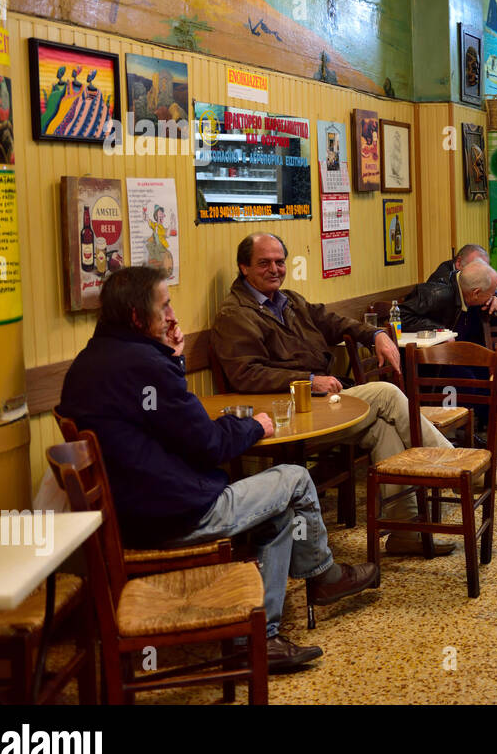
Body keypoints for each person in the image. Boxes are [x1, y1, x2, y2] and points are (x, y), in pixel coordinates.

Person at [57, 266, 378, 673]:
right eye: (165, 305)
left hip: (128, 514)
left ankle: (263, 635)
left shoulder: (91, 360)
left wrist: (170, 359)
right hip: (172, 516)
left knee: (278, 515)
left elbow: (171, 430)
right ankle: (323, 575)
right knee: (295, 478)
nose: (173, 316)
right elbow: (207, 445)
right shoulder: (145, 367)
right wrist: (253, 425)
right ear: (138, 319)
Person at [211, 233, 457, 555]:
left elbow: (335, 321)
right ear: (244, 268)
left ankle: (404, 533)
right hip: (287, 411)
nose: (275, 269)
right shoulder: (235, 314)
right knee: (386, 393)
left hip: (324, 401)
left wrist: (378, 334)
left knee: (382, 428)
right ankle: (456, 468)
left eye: (280, 261)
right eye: (264, 263)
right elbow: (246, 375)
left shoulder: (291, 301)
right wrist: (309, 380)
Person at [401, 259, 497, 445]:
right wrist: (441, 331)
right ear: (476, 293)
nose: (493, 296)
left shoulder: (473, 291)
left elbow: (495, 298)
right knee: (462, 373)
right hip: (438, 359)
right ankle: (464, 432)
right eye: (491, 293)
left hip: (468, 350)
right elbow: (401, 315)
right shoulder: (436, 293)